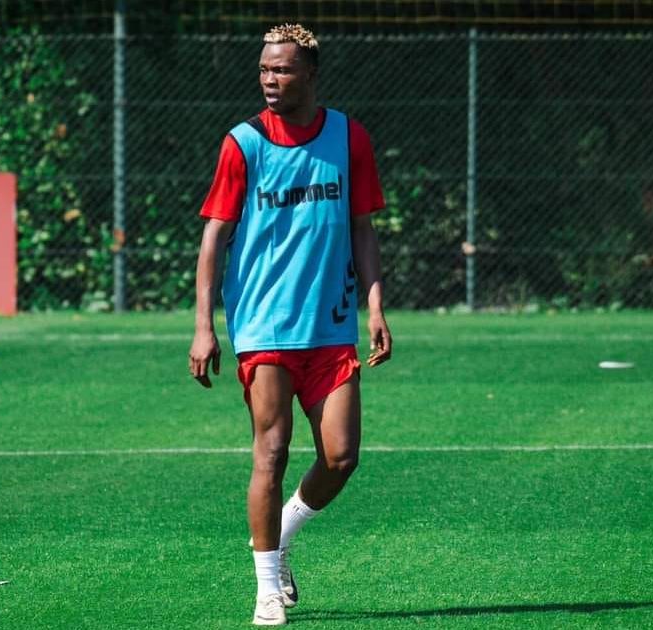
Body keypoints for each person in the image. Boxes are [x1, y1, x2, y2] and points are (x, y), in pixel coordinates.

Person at [188, 23, 392, 626]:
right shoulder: (243, 143)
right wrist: (205, 326)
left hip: (331, 326)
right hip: (264, 327)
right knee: (271, 453)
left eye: (282, 70)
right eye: (263, 70)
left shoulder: (348, 137)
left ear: (310, 73)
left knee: (341, 457)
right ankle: (266, 587)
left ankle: (279, 532)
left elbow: (362, 228)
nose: (270, 80)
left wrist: (375, 304)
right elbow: (214, 238)